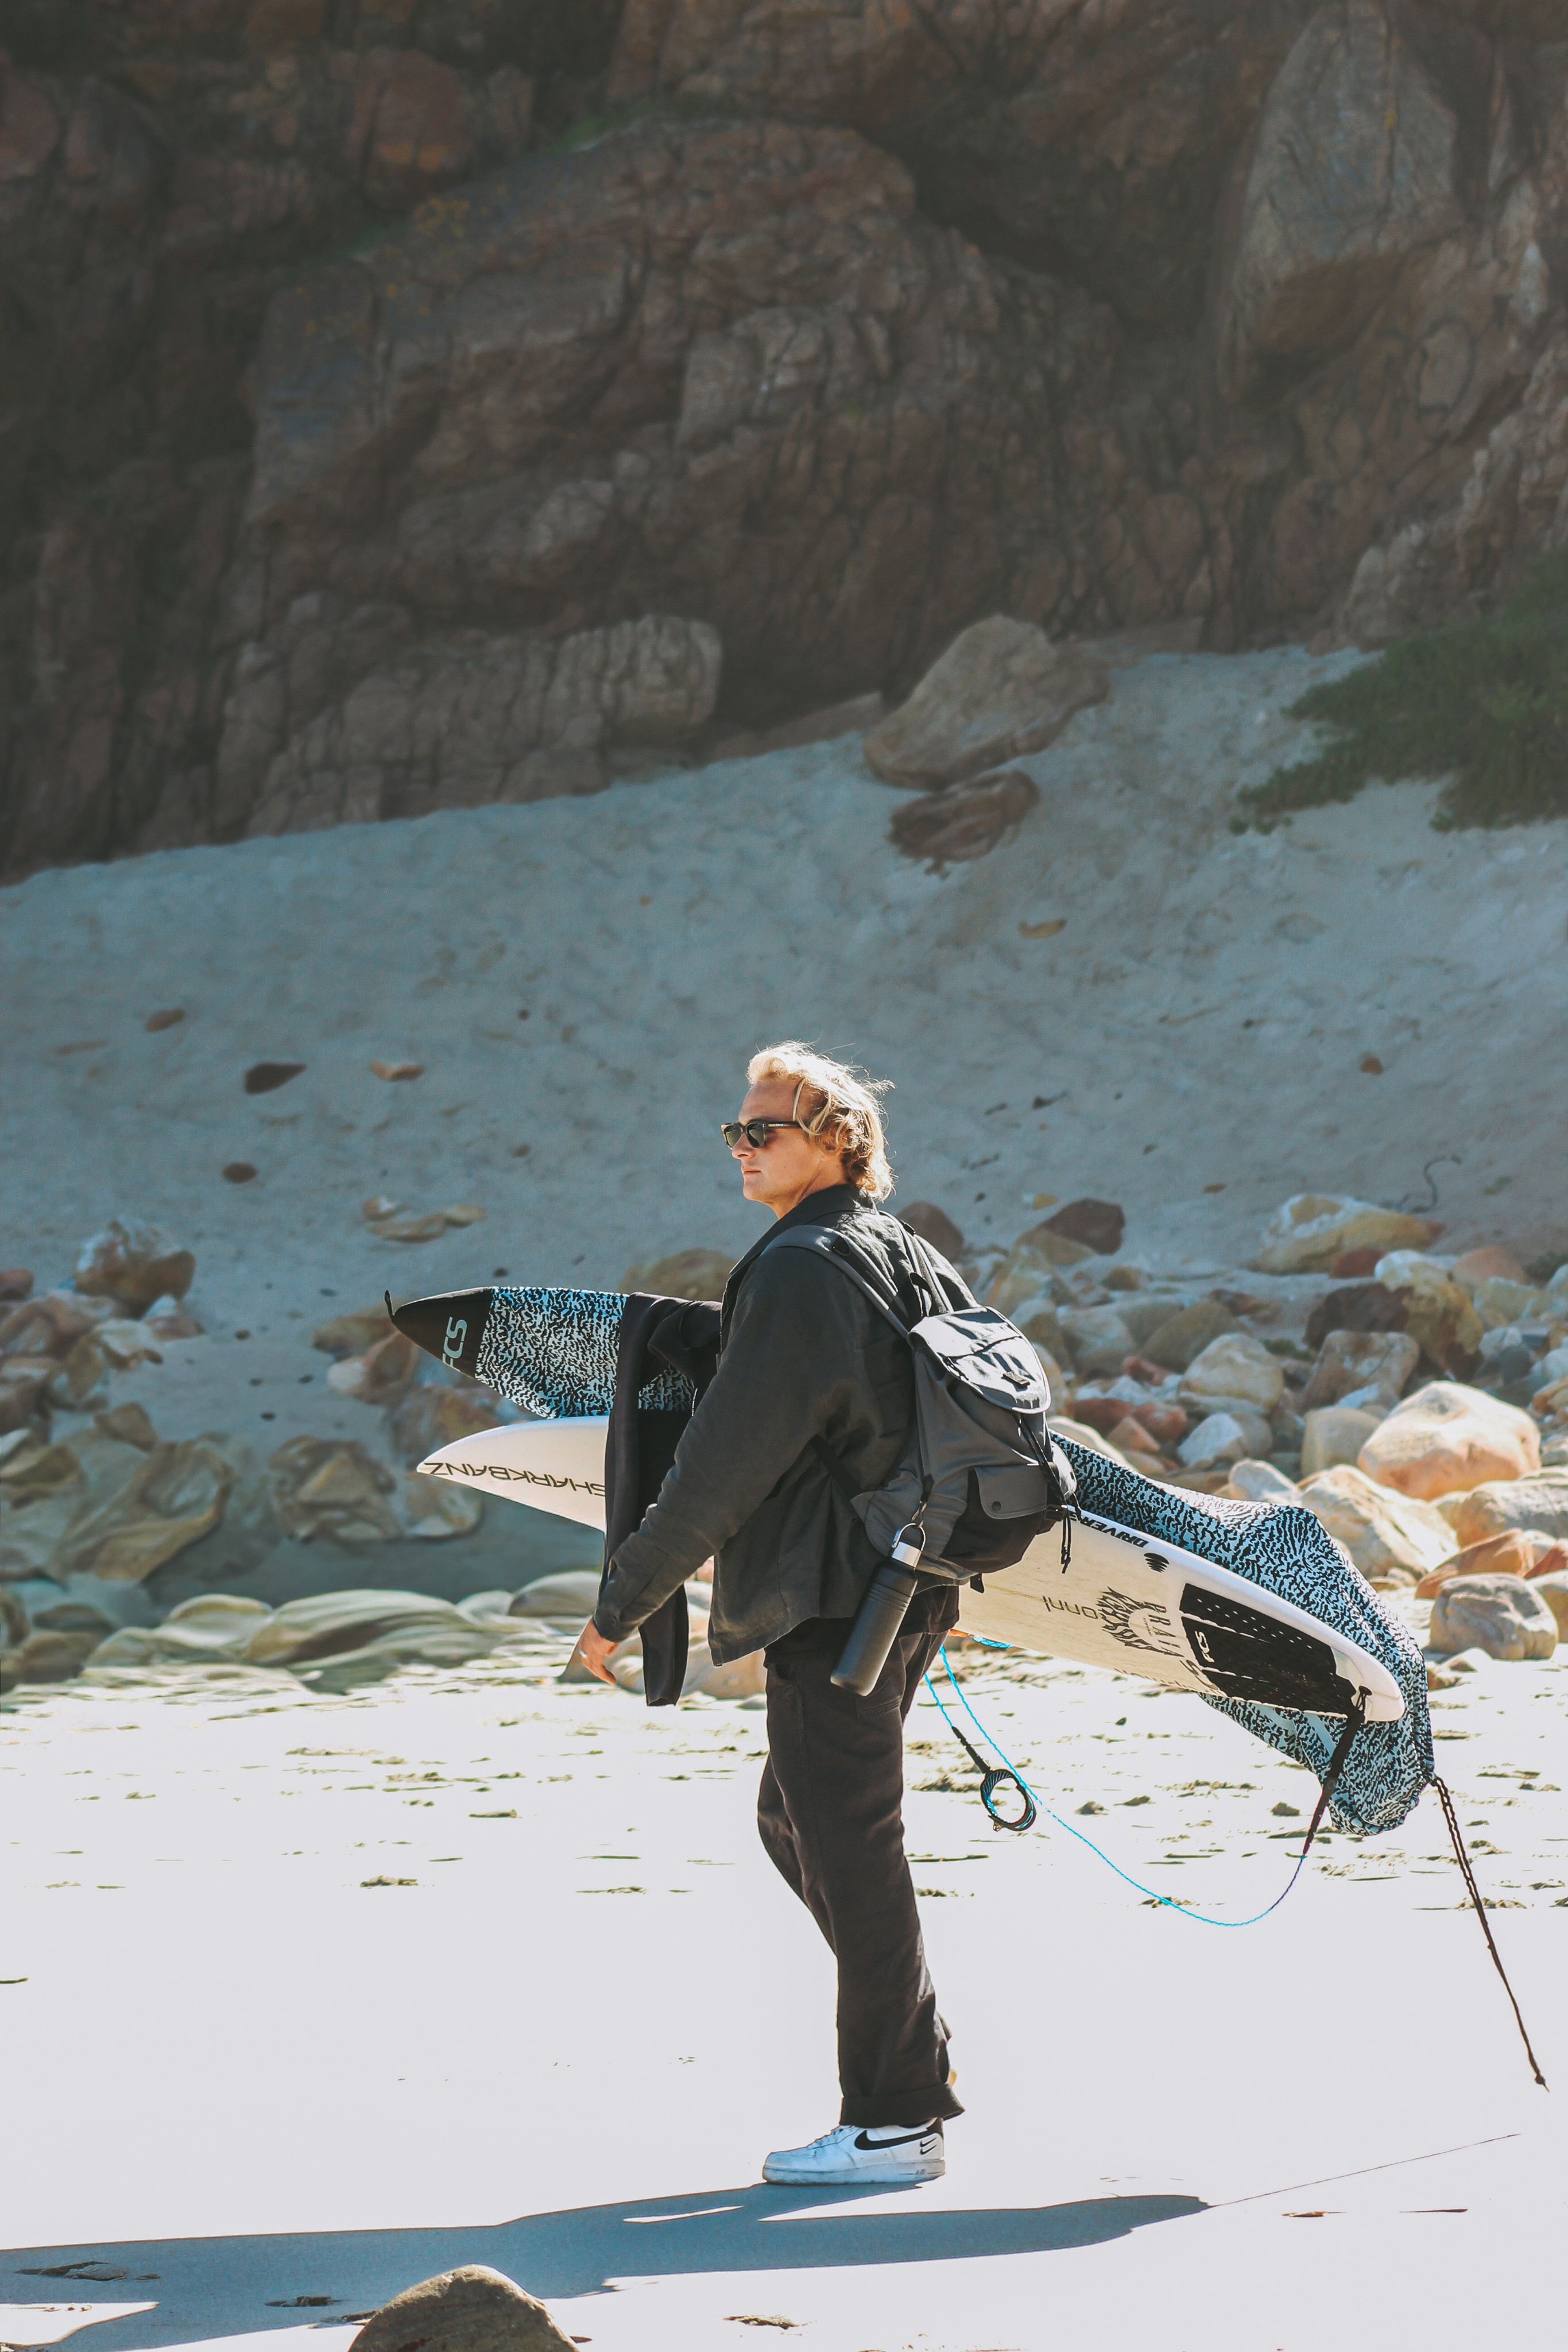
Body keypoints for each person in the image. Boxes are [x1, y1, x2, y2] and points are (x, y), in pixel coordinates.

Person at [576, 1042, 964, 2185]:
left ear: (837, 1138)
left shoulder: (800, 1265)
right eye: (736, 1130)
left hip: (834, 1597)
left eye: (767, 1130)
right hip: (905, 1583)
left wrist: (621, 1605)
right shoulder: (896, 1249)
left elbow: (720, 1465)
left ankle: (893, 2115)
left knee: (847, 1841)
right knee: (800, 1822)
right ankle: (912, 2064)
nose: (743, 1147)